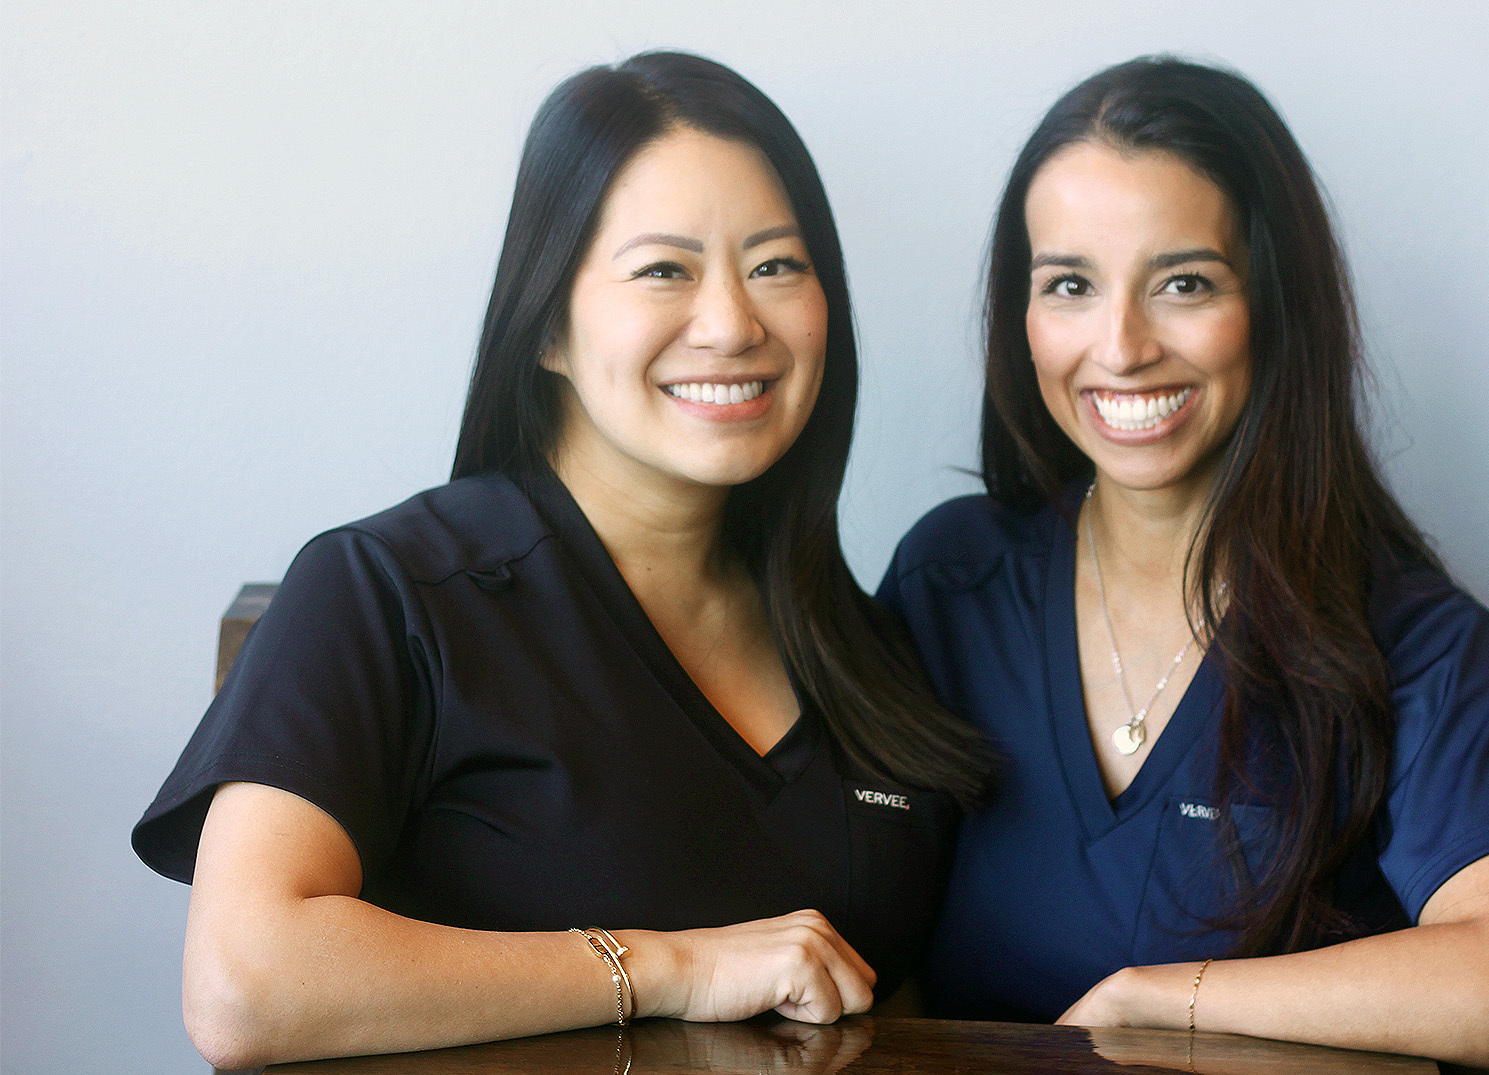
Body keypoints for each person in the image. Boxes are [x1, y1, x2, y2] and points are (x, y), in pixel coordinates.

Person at [133, 51, 993, 1070]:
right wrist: (670, 969)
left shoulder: (871, 647)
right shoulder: (389, 590)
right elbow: (246, 985)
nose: (732, 323)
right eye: (664, 269)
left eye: (775, 265)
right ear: (546, 325)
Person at [879, 56, 1489, 1074]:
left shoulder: (1416, 641)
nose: (1119, 347)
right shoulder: (950, 578)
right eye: (1069, 284)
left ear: (1274, 302)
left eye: (1183, 283)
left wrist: (1158, 1000)